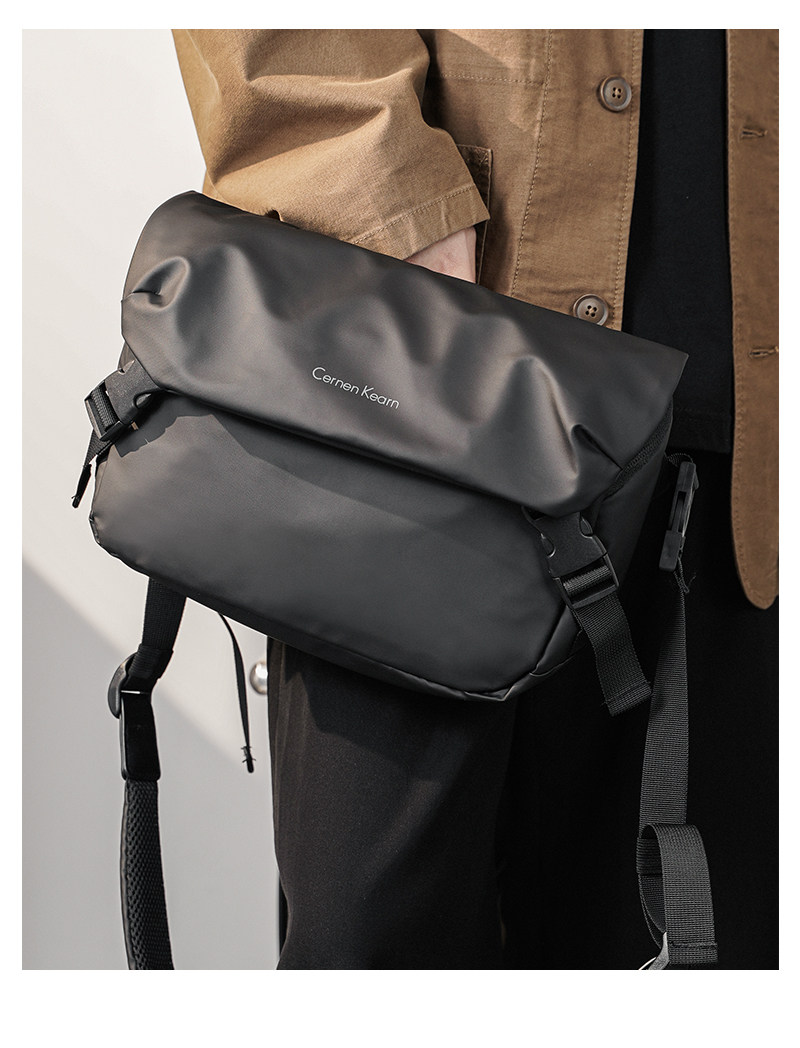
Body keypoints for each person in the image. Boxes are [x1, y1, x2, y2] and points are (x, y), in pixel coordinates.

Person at [172, 29, 778, 969]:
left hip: (730, 464)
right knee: (376, 953)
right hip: (429, 412)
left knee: (676, 955)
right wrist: (392, 208)